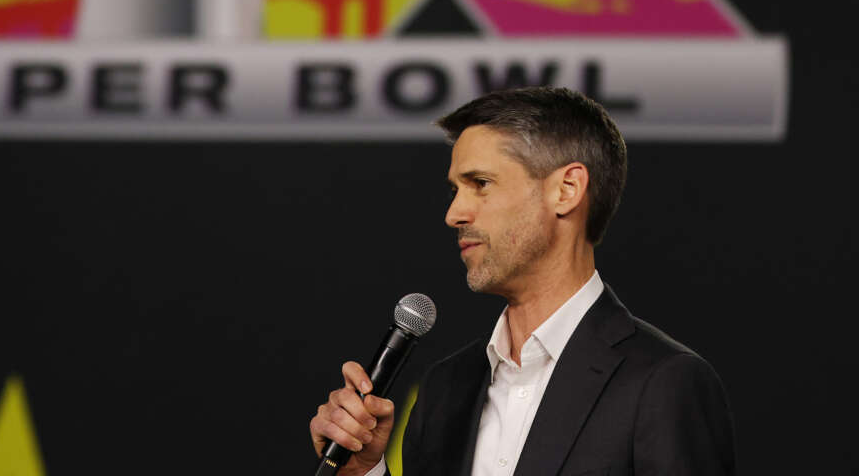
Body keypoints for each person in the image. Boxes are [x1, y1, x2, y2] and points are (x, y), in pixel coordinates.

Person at [309, 87, 735, 476]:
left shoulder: (664, 383)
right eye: (455, 189)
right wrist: (364, 471)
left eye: (480, 183)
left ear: (566, 189)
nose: (454, 213)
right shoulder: (445, 388)